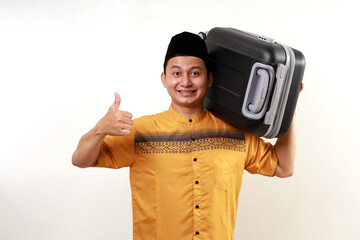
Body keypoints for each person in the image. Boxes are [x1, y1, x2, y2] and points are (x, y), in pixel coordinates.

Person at [72, 32, 300, 240]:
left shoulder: (236, 134)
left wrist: (289, 106)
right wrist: (99, 130)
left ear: (209, 79)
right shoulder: (141, 132)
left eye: (195, 73)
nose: (185, 82)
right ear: (164, 79)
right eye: (176, 73)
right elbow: (81, 160)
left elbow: (283, 167)